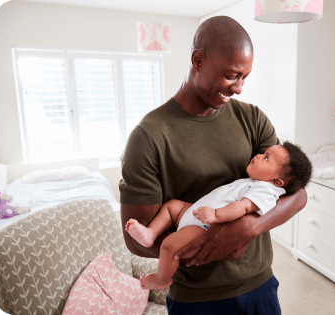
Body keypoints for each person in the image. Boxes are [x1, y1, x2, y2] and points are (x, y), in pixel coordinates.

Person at [119, 15, 308, 315]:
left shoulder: (253, 120)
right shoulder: (149, 136)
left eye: (245, 77)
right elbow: (137, 239)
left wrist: (249, 227)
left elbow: (297, 194)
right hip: (196, 301)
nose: (239, 88)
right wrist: (205, 243)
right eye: (232, 75)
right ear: (198, 60)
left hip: (259, 286)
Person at [125, 142, 312, 290]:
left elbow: (243, 207)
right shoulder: (256, 181)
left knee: (169, 245)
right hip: (196, 213)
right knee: (172, 206)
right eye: (264, 153)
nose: (257, 156)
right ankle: (150, 233)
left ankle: (161, 279)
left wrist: (215, 214)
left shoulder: (265, 190)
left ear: (276, 181)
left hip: (203, 226)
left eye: (265, 158)